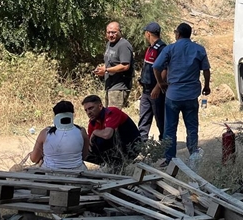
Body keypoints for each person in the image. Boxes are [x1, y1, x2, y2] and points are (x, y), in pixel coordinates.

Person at [153, 23, 211, 165]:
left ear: (177, 34)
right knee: (191, 126)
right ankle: (193, 156)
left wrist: (161, 83)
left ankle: (170, 159)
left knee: (170, 128)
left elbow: (156, 66)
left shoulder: (170, 49)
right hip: (191, 95)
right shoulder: (199, 49)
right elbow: (206, 70)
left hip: (173, 95)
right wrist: (207, 86)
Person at [82, 95, 141, 167]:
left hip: (132, 147)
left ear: (100, 106)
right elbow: (90, 144)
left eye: (91, 108)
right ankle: (110, 164)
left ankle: (117, 163)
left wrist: (95, 132)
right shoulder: (92, 123)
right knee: (82, 149)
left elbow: (107, 135)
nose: (88, 112)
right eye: (86, 110)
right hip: (116, 148)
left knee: (100, 139)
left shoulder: (112, 112)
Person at [30, 101, 89, 170]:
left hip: (50, 174)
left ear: (56, 116)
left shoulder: (45, 133)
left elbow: (34, 159)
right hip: (77, 173)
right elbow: (84, 156)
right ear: (72, 115)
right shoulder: (81, 131)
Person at [94, 22, 134, 108]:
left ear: (120, 32)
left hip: (119, 87)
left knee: (114, 117)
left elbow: (125, 66)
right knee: (108, 116)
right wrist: (102, 70)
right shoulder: (109, 44)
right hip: (110, 85)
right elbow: (110, 63)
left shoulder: (123, 45)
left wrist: (106, 70)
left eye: (113, 32)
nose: (111, 35)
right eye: (108, 32)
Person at [138, 22, 167, 142]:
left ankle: (165, 143)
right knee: (144, 117)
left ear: (148, 33)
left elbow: (165, 69)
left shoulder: (162, 48)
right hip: (146, 90)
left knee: (160, 118)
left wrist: (158, 87)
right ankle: (141, 142)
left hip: (156, 91)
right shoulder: (151, 48)